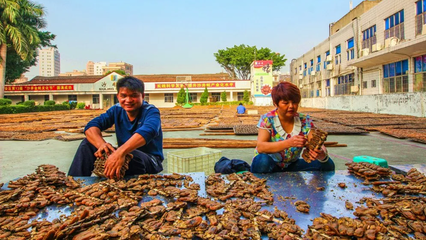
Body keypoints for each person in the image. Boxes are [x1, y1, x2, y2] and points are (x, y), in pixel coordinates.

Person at [68, 76, 163, 179]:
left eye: (134, 96)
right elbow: (91, 126)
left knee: (129, 154)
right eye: (124, 96)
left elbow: (149, 131)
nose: (128, 100)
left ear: (142, 96)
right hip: (125, 154)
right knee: (87, 144)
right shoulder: (116, 110)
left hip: (149, 160)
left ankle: (125, 182)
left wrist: (120, 152)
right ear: (118, 96)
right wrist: (101, 145)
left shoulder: (150, 111)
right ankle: (74, 181)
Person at [251, 82, 334, 173]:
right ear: (275, 104)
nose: (291, 106)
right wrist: (288, 143)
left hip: (292, 165)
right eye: (285, 103)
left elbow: (315, 142)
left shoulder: (304, 121)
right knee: (262, 161)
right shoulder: (267, 119)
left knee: (327, 164)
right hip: (271, 164)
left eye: (294, 102)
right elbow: (261, 147)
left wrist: (320, 153)